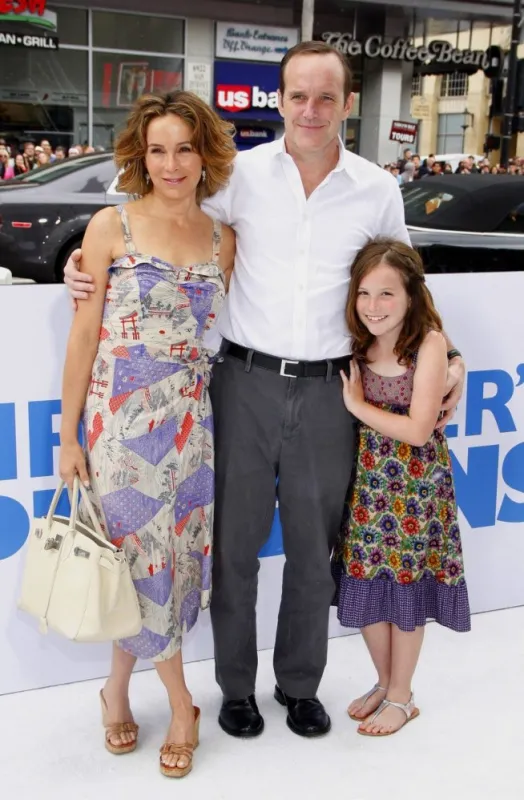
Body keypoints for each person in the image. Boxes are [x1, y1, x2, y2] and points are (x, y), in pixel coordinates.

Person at [63, 41, 466, 741]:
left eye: (325, 97)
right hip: (239, 384)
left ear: (348, 103)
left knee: (314, 554)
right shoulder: (238, 176)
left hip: (327, 395)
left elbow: (409, 283)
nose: (310, 110)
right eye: (298, 96)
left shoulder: (374, 188)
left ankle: (300, 685)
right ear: (280, 101)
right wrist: (82, 261)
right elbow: (162, 213)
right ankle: (235, 690)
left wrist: (449, 354)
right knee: (235, 552)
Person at [58, 90, 236, 777]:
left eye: (184, 148)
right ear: (140, 155)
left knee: (172, 560)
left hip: (192, 421)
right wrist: (70, 436)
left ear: (204, 154)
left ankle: (115, 690)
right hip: (119, 423)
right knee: (141, 557)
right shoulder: (111, 227)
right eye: (157, 149)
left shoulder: (225, 239)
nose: (171, 163)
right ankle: (182, 699)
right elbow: (83, 336)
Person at [332, 238, 470, 737]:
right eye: (365, 293)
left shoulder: (428, 344)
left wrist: (358, 407)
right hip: (368, 487)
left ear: (411, 295)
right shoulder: (357, 340)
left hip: (415, 490)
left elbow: (417, 429)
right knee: (367, 585)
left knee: (405, 591)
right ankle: (384, 681)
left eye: (387, 294)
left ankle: (402, 696)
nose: (373, 307)